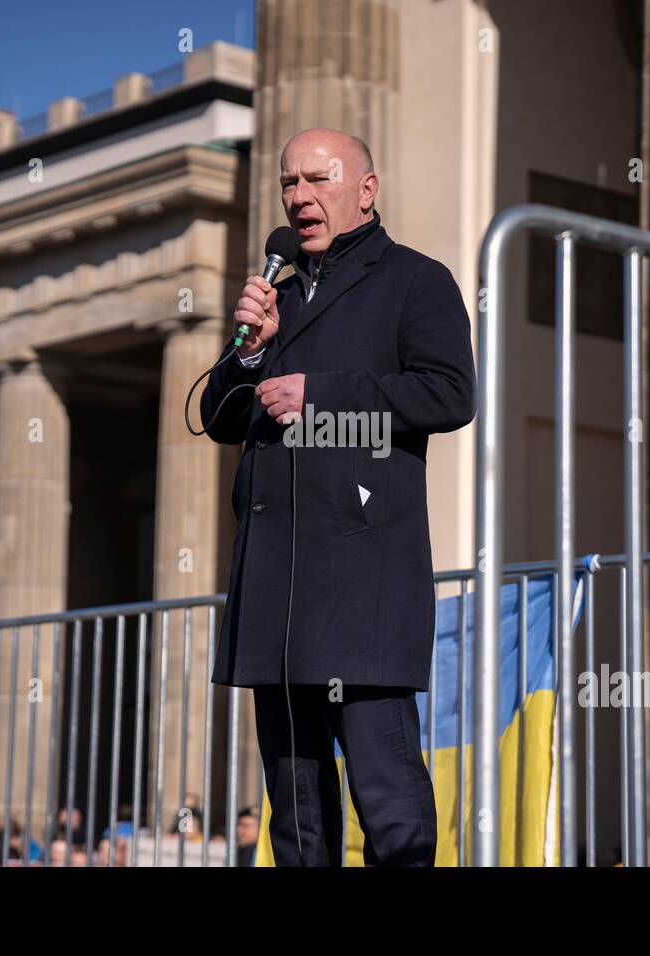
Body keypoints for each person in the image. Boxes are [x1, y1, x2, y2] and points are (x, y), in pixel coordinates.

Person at [200, 128, 476, 866]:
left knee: (389, 808)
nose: (299, 196)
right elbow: (219, 418)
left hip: (361, 584)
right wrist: (251, 351)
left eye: (318, 179)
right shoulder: (280, 296)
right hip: (275, 586)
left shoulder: (416, 281)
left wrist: (321, 396)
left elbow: (450, 393)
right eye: (289, 182)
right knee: (295, 819)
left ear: (366, 189)